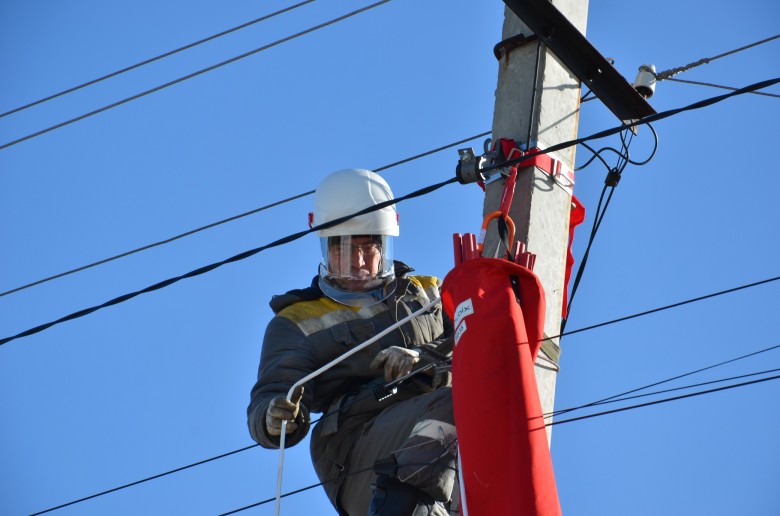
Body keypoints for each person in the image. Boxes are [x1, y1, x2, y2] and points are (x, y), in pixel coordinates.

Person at [247, 169, 457, 515]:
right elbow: (272, 394)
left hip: (437, 431)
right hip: (357, 447)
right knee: (459, 403)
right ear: (326, 248)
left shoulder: (426, 292)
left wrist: (421, 357)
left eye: (368, 247)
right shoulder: (298, 321)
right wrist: (274, 417)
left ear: (385, 245)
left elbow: (475, 339)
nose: (359, 262)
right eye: (345, 249)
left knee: (486, 398)